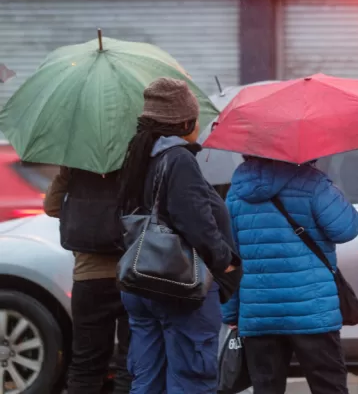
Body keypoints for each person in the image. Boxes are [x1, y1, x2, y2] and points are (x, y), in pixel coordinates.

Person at [118, 77, 240, 393]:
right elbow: (197, 222)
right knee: (191, 380)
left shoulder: (138, 156)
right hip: (178, 284)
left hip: (140, 280)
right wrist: (224, 261)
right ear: (182, 121)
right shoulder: (179, 160)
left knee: (147, 379)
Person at [222, 155, 358, 394]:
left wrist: (231, 312)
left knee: (266, 389)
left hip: (258, 312)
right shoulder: (312, 182)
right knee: (329, 387)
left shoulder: (237, 191)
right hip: (312, 310)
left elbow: (229, 258)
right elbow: (346, 228)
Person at [44, 168, 131, 393]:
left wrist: (66, 173)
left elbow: (52, 206)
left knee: (86, 364)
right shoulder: (135, 165)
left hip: (88, 278)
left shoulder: (77, 167)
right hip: (131, 275)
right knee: (130, 363)